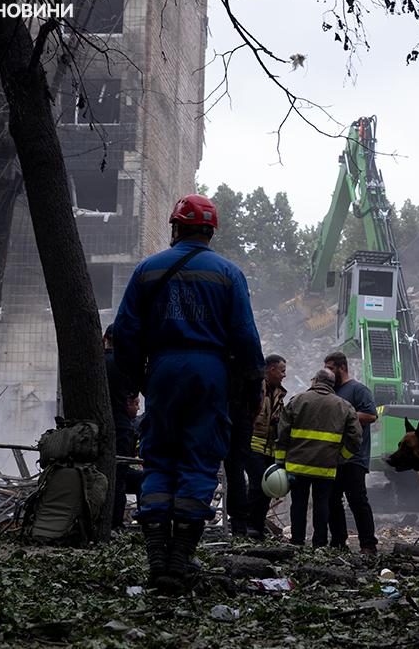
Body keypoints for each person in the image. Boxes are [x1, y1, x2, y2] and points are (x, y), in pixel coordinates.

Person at [112, 194, 264, 592]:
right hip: (210, 372)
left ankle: (157, 556)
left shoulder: (147, 269)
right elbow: (245, 334)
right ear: (211, 231)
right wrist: (253, 382)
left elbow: (125, 329)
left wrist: (139, 379)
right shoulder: (228, 273)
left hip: (162, 369)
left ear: (175, 227)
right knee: (199, 461)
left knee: (159, 459)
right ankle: (179, 559)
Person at [275, 368, 362, 548]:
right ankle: (319, 543)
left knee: (298, 505)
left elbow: (282, 434)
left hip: (297, 466)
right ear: (332, 384)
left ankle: (297, 541)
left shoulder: (297, 401)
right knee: (322, 505)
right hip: (326, 467)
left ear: (315, 382)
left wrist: (280, 462)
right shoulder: (344, 406)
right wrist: (341, 457)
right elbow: (355, 439)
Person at [324, 351, 379, 555]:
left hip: (354, 458)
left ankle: (368, 545)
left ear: (342, 368)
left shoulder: (357, 390)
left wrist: (344, 415)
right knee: (332, 501)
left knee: (357, 501)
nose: (327, 372)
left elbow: (371, 415)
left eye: (330, 368)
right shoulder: (330, 391)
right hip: (332, 458)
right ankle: (338, 542)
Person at [246, 354, 288, 539]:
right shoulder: (256, 387)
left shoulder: (278, 392)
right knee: (257, 486)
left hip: (269, 448)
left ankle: (257, 525)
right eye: (282, 370)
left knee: (266, 489)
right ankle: (249, 526)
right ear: (271, 369)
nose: (284, 375)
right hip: (253, 445)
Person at [104, 323, 140, 530]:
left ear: (105, 338)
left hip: (97, 428)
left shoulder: (96, 362)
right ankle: (115, 525)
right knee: (119, 478)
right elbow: (134, 391)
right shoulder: (126, 364)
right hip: (120, 427)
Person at [223, 357, 257, 537]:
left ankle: (189, 521)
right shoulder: (246, 358)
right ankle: (239, 526)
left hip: (218, 411)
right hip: (240, 415)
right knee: (235, 471)